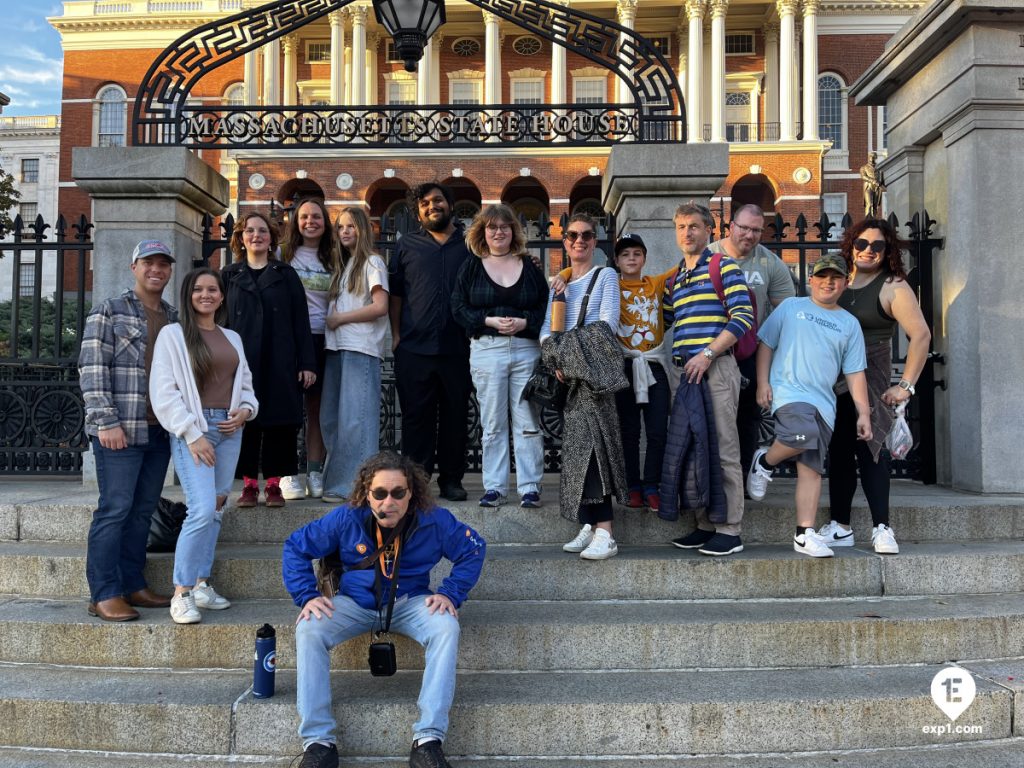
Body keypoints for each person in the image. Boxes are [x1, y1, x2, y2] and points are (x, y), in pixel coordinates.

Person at [283, 451, 486, 768]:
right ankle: (318, 743)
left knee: (446, 626)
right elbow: (296, 546)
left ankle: (428, 740)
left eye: (397, 493)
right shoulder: (346, 518)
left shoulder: (434, 520)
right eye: (379, 493)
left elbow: (474, 548)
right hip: (354, 603)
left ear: (411, 493)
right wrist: (306, 595)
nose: (387, 502)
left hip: (410, 602)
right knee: (309, 628)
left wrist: (451, 593)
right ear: (367, 493)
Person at [150, 267, 258, 622]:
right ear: (188, 294)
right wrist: (191, 434)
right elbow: (163, 392)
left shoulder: (232, 337)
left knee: (215, 508)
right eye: (198, 289)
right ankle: (181, 593)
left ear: (222, 296)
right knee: (199, 509)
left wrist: (246, 410)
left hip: (230, 429)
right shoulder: (174, 335)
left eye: (213, 289)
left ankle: (200, 583)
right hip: (194, 430)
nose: (206, 295)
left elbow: (245, 386)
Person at [746, 254, 871, 557]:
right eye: (823, 276)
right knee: (799, 434)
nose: (829, 282)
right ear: (811, 280)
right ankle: (764, 461)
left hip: (824, 405)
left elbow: (855, 373)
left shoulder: (849, 324)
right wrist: (763, 382)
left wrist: (863, 412)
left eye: (836, 278)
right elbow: (766, 344)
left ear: (845, 283)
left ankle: (804, 533)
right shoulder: (791, 308)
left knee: (812, 471)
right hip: (790, 394)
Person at [78, 239, 177, 621]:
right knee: (115, 509)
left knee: (142, 511)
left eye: (163, 264)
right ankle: (103, 593)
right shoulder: (110, 310)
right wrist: (106, 421)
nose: (156, 269)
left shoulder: (173, 317)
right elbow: (92, 368)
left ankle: (133, 583)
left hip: (158, 430)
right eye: (148, 262)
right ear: (134, 266)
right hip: (120, 429)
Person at [818, 219, 931, 554]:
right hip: (831, 375)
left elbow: (921, 335)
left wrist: (906, 386)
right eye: (862, 244)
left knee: (872, 449)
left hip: (871, 373)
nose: (868, 251)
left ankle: (882, 527)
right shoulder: (838, 278)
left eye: (877, 246)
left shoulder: (893, 285)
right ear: (851, 245)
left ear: (888, 251)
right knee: (838, 451)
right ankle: (840, 526)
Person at [662, 202, 754, 556]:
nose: (687, 232)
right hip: (684, 374)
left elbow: (742, 316)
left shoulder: (722, 266)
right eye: (682, 226)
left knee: (724, 449)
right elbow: (662, 321)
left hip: (715, 368)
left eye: (695, 226)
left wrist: (709, 353)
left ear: (708, 231)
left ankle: (730, 530)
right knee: (694, 450)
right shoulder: (674, 279)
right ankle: (704, 525)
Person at [541, 213, 627, 561]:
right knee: (578, 453)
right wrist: (558, 362)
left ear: (595, 241)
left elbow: (607, 325)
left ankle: (606, 531)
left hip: (595, 378)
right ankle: (590, 523)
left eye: (587, 235)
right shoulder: (558, 285)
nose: (579, 241)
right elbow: (545, 333)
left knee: (596, 451)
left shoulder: (605, 275)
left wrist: (565, 357)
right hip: (571, 378)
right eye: (573, 235)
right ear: (564, 241)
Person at [451, 204, 548, 509]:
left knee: (527, 420)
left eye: (504, 227)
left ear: (513, 231)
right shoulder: (471, 266)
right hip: (487, 350)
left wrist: (525, 323)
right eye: (492, 227)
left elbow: (544, 308)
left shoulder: (530, 266)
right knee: (492, 421)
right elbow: (458, 307)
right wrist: (488, 321)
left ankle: (530, 487)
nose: (498, 232)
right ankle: (495, 487)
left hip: (525, 350)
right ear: (482, 232)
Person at [221, 211, 316, 508]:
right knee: (244, 420)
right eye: (250, 231)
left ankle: (274, 484)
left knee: (280, 422)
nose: (256, 235)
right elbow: (217, 320)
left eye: (262, 231)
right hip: (241, 361)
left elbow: (302, 320)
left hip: (281, 359)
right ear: (240, 237)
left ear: (271, 238)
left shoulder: (286, 275)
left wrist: (307, 363)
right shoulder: (229, 275)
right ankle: (249, 485)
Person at [389, 183, 472, 502]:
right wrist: (396, 335)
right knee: (415, 418)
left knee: (455, 416)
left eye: (437, 200)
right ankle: (418, 481)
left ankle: (452, 479)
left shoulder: (470, 243)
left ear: (450, 205)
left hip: (458, 348)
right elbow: (396, 293)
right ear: (418, 211)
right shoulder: (406, 245)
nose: (431, 206)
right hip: (414, 347)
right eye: (424, 203)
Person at [709, 204, 796, 482]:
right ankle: (714, 483)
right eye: (744, 227)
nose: (749, 234)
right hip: (710, 352)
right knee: (711, 420)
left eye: (756, 230)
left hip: (748, 353)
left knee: (746, 420)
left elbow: (786, 315)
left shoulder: (770, 263)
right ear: (731, 226)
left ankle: (743, 480)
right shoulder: (708, 255)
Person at [319, 206, 390, 504]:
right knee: (331, 419)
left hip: (360, 348)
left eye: (351, 226)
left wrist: (340, 320)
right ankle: (340, 481)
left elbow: (380, 306)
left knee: (356, 420)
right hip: (336, 349)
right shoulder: (343, 267)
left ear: (363, 229)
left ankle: (356, 487)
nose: (345, 231)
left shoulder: (372, 262)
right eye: (340, 227)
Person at [279, 198, 340, 501]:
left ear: (325, 222)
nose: (310, 222)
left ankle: (315, 470)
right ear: (295, 222)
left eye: (316, 216)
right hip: (289, 340)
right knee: (288, 408)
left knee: (318, 409)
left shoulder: (334, 257)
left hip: (324, 339)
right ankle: (289, 472)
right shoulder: (284, 254)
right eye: (304, 217)